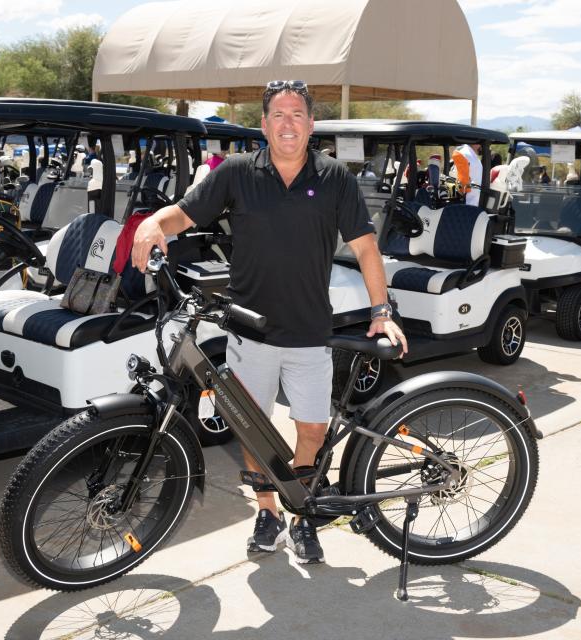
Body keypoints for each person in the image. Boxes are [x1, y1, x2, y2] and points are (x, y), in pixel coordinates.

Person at [130, 80, 407, 564]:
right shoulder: (238, 172)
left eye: (297, 114)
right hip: (248, 329)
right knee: (252, 426)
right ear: (263, 124)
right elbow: (184, 214)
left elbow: (366, 248)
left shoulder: (335, 177)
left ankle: (302, 515)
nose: (288, 123)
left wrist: (382, 312)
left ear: (311, 124)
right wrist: (154, 223)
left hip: (308, 330)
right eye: (278, 114)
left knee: (312, 430)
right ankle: (268, 511)